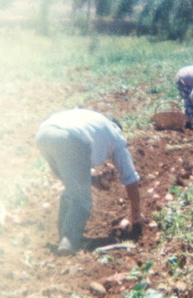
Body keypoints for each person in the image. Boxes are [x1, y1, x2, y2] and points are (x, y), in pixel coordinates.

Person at [35, 109, 144, 255]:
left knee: (72, 189)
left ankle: (64, 235)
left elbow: (73, 176)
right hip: (69, 138)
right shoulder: (116, 137)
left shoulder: (94, 123)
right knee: (81, 199)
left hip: (44, 134)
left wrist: (91, 180)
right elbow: (130, 178)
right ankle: (69, 242)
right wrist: (136, 214)